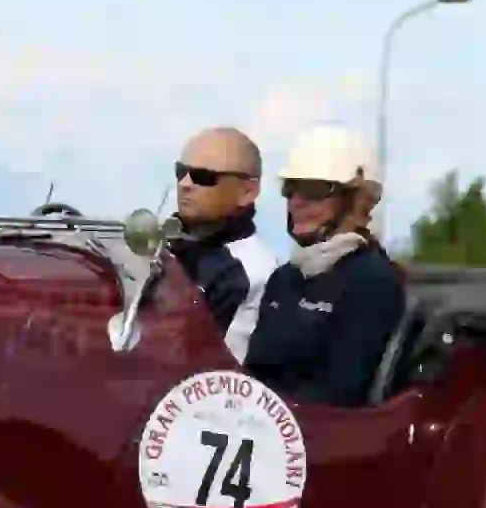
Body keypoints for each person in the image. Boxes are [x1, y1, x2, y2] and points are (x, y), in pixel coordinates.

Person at [242, 123, 407, 406]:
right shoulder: (285, 278)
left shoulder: (373, 281)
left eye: (314, 190)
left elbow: (342, 396)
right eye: (290, 188)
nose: (296, 201)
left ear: (358, 199)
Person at [167, 126, 278, 362]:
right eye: (181, 172)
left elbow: (184, 355)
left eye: (204, 176)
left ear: (247, 191)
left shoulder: (251, 270)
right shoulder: (169, 249)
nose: (185, 184)